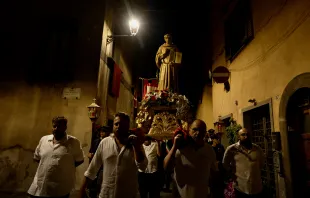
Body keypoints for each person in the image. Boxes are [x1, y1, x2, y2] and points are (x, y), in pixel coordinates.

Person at [79, 112, 148, 198]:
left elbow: (142, 166)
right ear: (113, 126)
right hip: (106, 194)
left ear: (128, 127)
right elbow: (93, 168)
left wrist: (136, 146)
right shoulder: (105, 142)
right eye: (116, 124)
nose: (119, 126)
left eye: (122, 124)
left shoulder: (135, 143)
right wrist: (82, 189)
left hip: (129, 194)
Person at [28, 116, 84, 198]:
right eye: (54, 126)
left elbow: (79, 160)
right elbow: (37, 158)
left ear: (65, 127)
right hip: (39, 184)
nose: (56, 128)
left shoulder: (73, 142)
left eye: (59, 126)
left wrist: (63, 167)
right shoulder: (44, 140)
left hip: (59, 189)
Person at [164, 119, 216, 198]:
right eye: (195, 130)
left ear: (205, 133)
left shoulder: (209, 150)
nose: (198, 133)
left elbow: (213, 172)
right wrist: (174, 147)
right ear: (189, 131)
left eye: (201, 131)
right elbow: (166, 167)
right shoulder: (180, 149)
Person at [222, 128, 265, 198]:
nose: (246, 137)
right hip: (240, 188)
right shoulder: (231, 149)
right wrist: (232, 173)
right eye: (243, 135)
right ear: (238, 137)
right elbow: (225, 164)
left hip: (256, 188)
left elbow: (261, 164)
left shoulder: (257, 149)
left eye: (248, 135)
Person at [87, 126, 111, 198]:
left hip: (104, 166)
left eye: (103, 132)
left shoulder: (109, 142)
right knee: (93, 184)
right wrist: (91, 155)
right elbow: (90, 153)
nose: (101, 133)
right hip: (96, 164)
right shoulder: (96, 141)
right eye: (101, 132)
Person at [209, 133, 225, 198]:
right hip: (212, 170)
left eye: (219, 139)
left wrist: (220, 162)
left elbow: (224, 156)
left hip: (220, 168)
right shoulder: (210, 148)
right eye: (217, 139)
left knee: (221, 185)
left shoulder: (221, 146)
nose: (218, 140)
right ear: (213, 139)